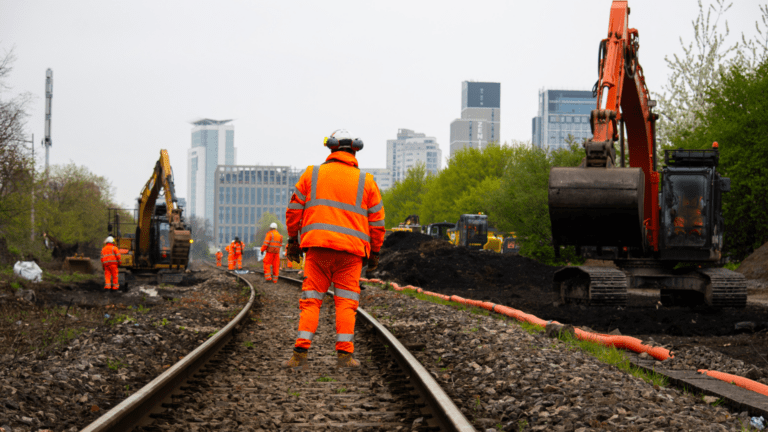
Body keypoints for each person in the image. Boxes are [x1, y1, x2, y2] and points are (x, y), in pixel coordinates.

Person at [283, 129, 385, 368]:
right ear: (355, 151)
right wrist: (376, 252)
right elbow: (378, 224)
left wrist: (293, 240)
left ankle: (300, 354)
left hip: (318, 250)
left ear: (330, 149)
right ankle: (344, 356)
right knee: (346, 302)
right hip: (351, 254)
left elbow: (293, 210)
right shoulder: (367, 181)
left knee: (311, 300)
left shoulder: (312, 174)